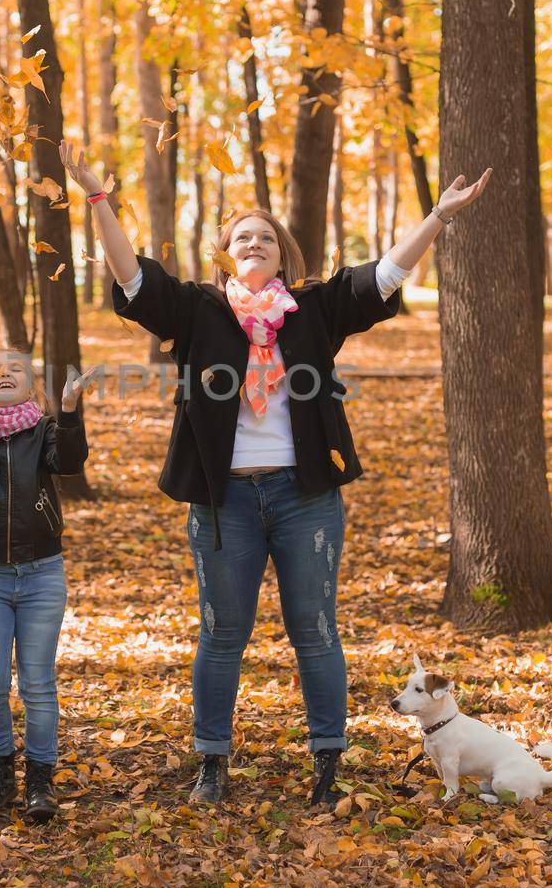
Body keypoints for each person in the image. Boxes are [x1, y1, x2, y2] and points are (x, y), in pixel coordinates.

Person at [57, 139, 491, 807]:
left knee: (314, 627)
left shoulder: (313, 309)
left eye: (265, 236)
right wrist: (96, 197)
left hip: (304, 498)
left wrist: (439, 215)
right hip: (222, 499)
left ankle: (327, 760)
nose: (254, 242)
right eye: (241, 236)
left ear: (283, 253)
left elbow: (383, 276)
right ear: (227, 252)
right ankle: (212, 761)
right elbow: (132, 279)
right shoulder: (200, 309)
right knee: (221, 632)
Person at [0, 350, 93, 821]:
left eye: (18, 368)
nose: (6, 372)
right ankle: (1, 770)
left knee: (37, 684)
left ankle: (40, 781)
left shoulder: (45, 429)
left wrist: (68, 411)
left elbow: (69, 462)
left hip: (42, 574)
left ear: (33, 387)